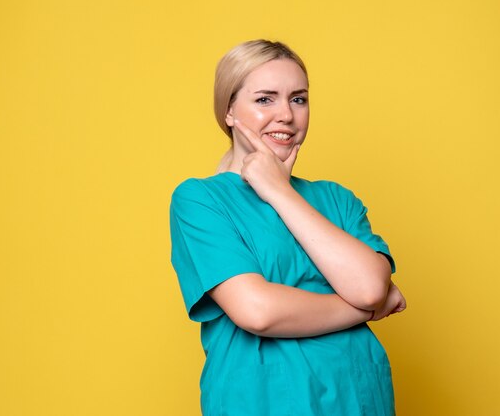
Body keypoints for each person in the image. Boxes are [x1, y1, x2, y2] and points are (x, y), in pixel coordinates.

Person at [169, 39, 406, 416]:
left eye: (298, 99)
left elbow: (370, 287)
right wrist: (366, 310)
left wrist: (279, 191)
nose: (287, 115)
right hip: (261, 400)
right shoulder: (200, 200)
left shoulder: (337, 199)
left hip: (357, 396)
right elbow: (258, 310)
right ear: (229, 110)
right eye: (265, 99)